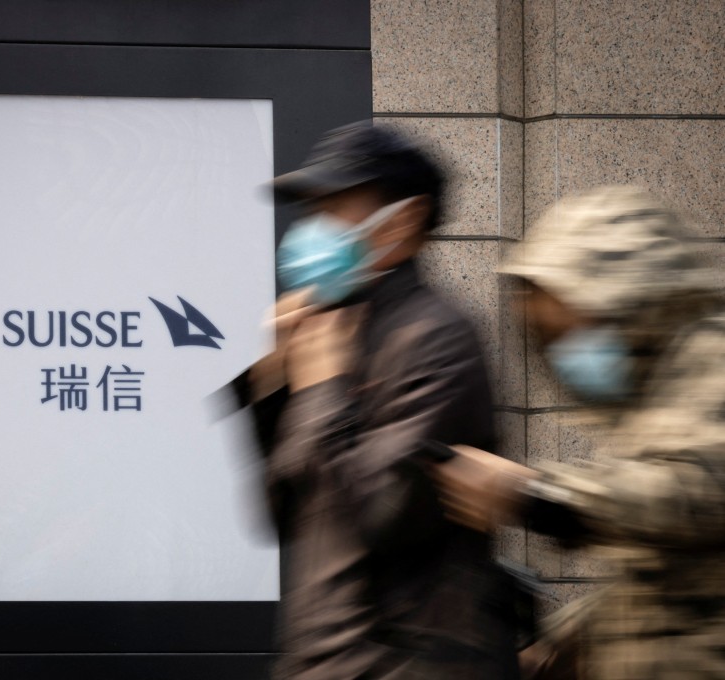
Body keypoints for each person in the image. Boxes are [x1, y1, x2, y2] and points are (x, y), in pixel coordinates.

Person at [244, 122, 520, 680]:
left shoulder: (439, 337)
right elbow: (281, 513)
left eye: (338, 206)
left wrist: (323, 390)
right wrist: (273, 384)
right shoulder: (331, 330)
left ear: (405, 219)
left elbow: (389, 512)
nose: (314, 229)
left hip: (401, 664)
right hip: (325, 659)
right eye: (313, 211)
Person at [433, 186, 725, 679]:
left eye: (577, 327)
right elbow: (668, 579)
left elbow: (695, 494)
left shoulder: (711, 361)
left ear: (633, 304)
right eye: (550, 337)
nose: (567, 352)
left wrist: (532, 494)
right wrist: (566, 642)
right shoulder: (657, 392)